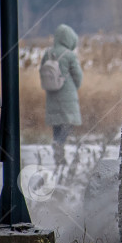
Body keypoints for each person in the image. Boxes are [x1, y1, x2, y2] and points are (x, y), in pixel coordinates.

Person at [42, 24, 83, 165]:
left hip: (51, 94)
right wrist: (73, 87)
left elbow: (42, 71)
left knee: (57, 123)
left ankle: (57, 148)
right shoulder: (69, 55)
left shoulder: (48, 53)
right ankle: (60, 144)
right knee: (68, 123)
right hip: (67, 94)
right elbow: (77, 76)